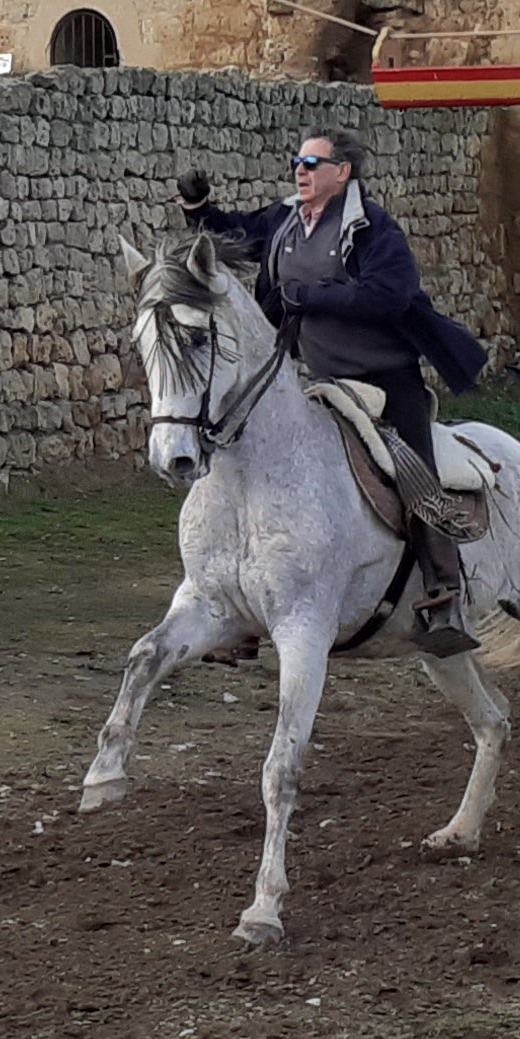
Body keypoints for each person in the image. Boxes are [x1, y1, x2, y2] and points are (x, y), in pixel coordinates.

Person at [179, 128, 493, 654]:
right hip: (319, 380)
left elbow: (390, 296)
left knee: (416, 475)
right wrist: (198, 207)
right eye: (296, 162)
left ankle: (444, 597)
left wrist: (313, 295)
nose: (299, 171)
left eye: (310, 162)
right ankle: (238, 607)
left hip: (386, 382)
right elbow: (233, 237)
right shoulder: (285, 223)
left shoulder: (375, 232)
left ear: (341, 172)